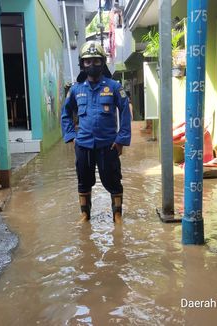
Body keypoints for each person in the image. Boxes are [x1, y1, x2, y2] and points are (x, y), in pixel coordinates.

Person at [61, 41, 131, 224]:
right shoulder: (76, 90)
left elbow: (125, 112)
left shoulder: (114, 87)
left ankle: (117, 215)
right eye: (87, 61)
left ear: (103, 62)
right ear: (82, 64)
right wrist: (71, 137)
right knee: (83, 181)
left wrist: (121, 140)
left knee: (113, 181)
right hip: (83, 145)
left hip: (108, 145)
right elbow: (66, 113)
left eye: (96, 61)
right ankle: (85, 215)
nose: (92, 65)